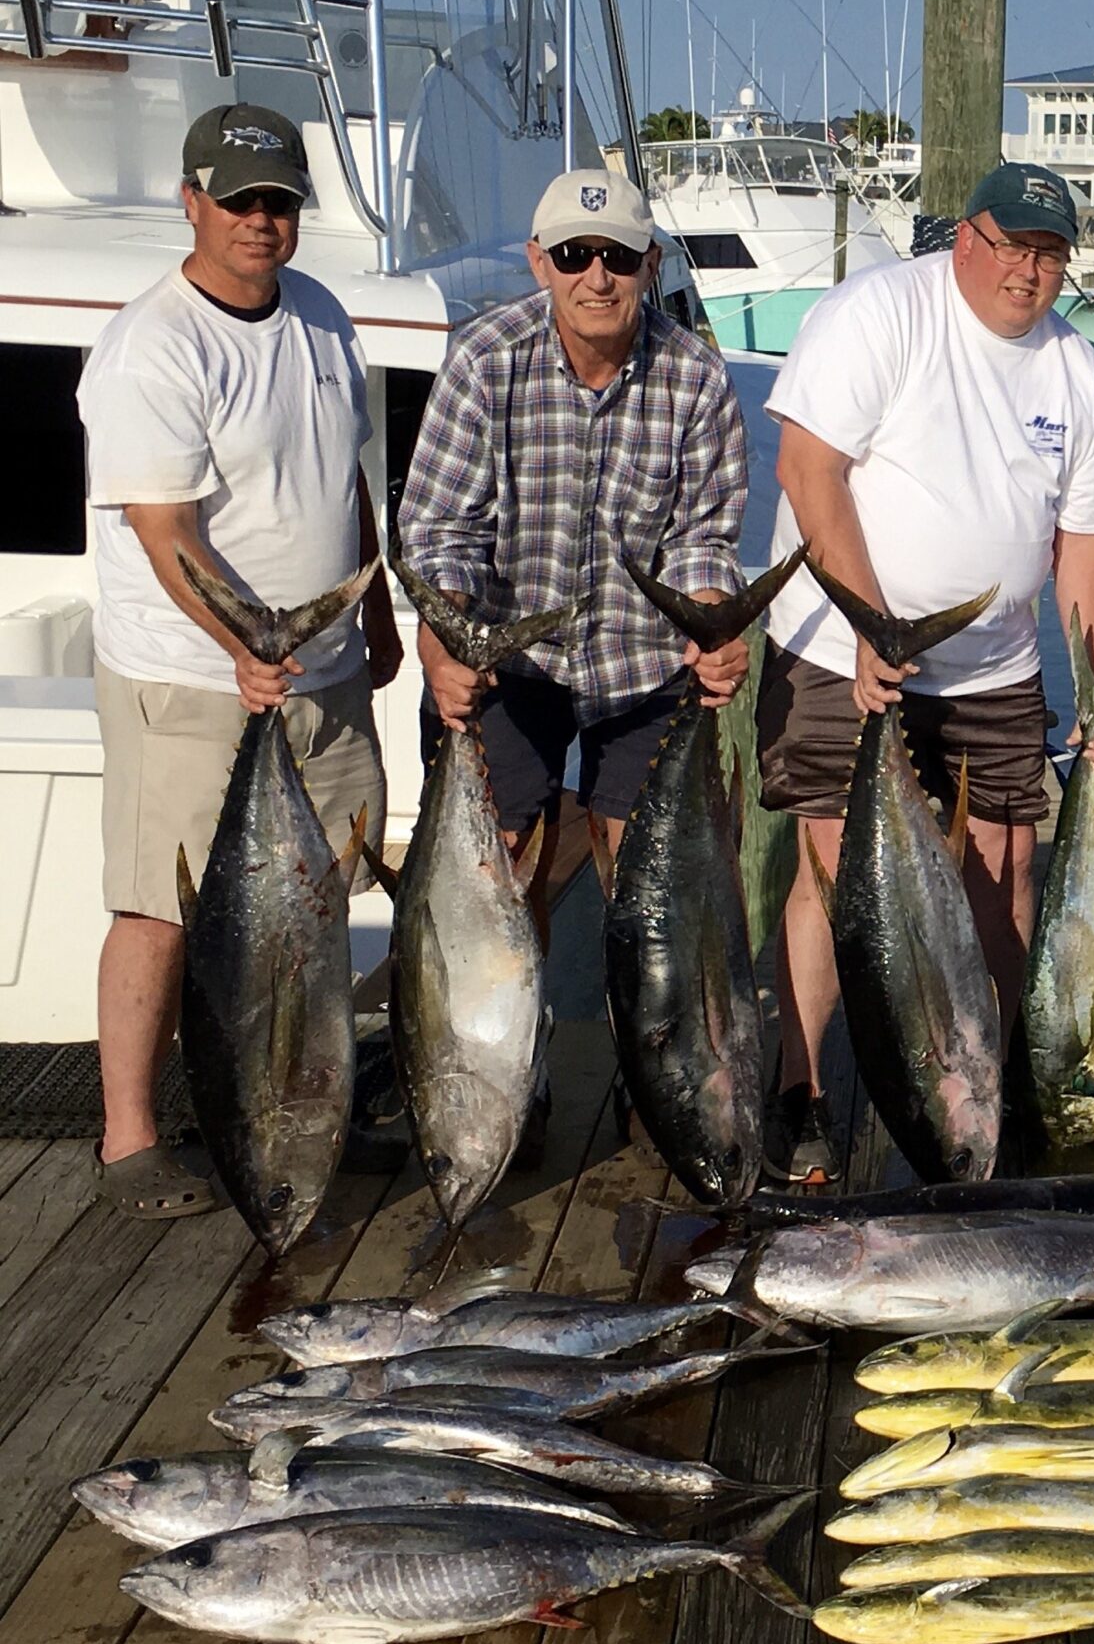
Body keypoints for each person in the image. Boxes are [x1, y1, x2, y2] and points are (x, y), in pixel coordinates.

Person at [761, 161, 1094, 1185]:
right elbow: (807, 468)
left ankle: (983, 1080)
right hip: (843, 647)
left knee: (1004, 872)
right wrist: (872, 623)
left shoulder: (1073, 369)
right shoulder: (879, 313)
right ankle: (802, 1087)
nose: (1029, 270)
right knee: (841, 876)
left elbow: (1087, 541)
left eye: (1050, 253)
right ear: (964, 238)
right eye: (1012, 245)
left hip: (995, 666)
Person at [82, 102, 403, 1219]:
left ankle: (306, 1104)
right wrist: (244, 648)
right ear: (193, 202)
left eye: (280, 203)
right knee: (161, 906)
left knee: (315, 904)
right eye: (240, 201)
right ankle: (129, 1139)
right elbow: (165, 529)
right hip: (187, 676)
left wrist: (378, 608)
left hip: (317, 672)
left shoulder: (317, 314)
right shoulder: (152, 346)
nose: (262, 222)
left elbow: (346, 468)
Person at [399, 166, 751, 1155]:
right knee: (501, 879)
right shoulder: (485, 357)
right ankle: (512, 1073)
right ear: (538, 264)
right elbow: (438, 534)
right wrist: (446, 642)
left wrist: (713, 624)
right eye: (574, 256)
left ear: (649, 265)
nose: (597, 276)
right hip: (509, 664)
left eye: (619, 257)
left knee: (645, 880)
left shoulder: (694, 375)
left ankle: (658, 1078)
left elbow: (704, 540)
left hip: (641, 667)